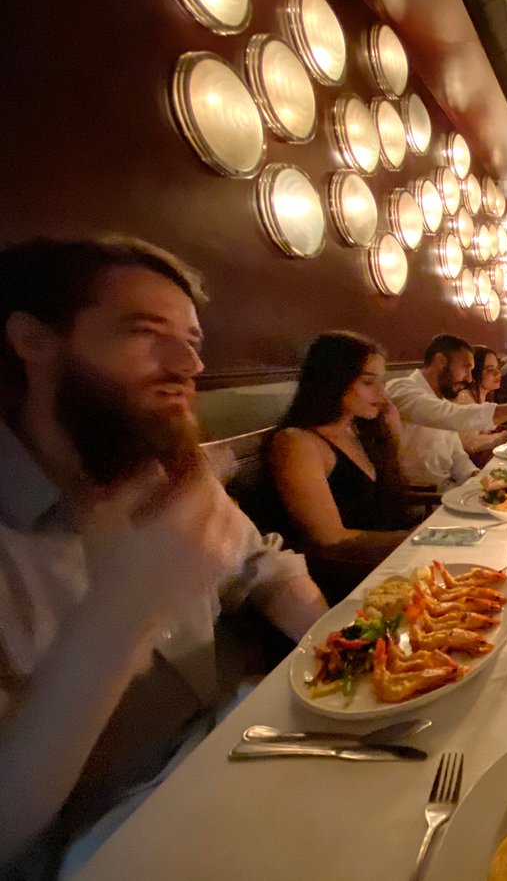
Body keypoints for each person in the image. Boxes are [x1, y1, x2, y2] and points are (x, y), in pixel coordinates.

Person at [0, 236, 327, 872]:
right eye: (145, 332)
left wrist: (343, 648)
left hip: (244, 757)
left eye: (192, 340)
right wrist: (124, 608)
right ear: (34, 340)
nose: (189, 364)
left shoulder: (158, 471)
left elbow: (262, 566)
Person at [266, 333, 413, 594]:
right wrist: (416, 539)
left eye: (382, 382)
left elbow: (388, 498)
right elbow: (329, 538)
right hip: (349, 579)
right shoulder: (297, 443)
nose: (381, 393)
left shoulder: (358, 431)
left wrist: (393, 435)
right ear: (333, 380)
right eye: (368, 382)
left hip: (391, 564)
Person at [386, 335, 507, 489]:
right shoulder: (400, 389)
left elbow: (457, 456)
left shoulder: (442, 399)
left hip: (450, 490)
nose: (470, 378)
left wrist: (477, 479)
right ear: (441, 362)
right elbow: (454, 416)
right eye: (465, 368)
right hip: (424, 500)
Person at [455, 345, 507, 460]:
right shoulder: (465, 397)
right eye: (490, 370)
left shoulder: (484, 396)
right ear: (475, 372)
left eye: (498, 368)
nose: (497, 373)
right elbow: (470, 443)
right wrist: (504, 436)